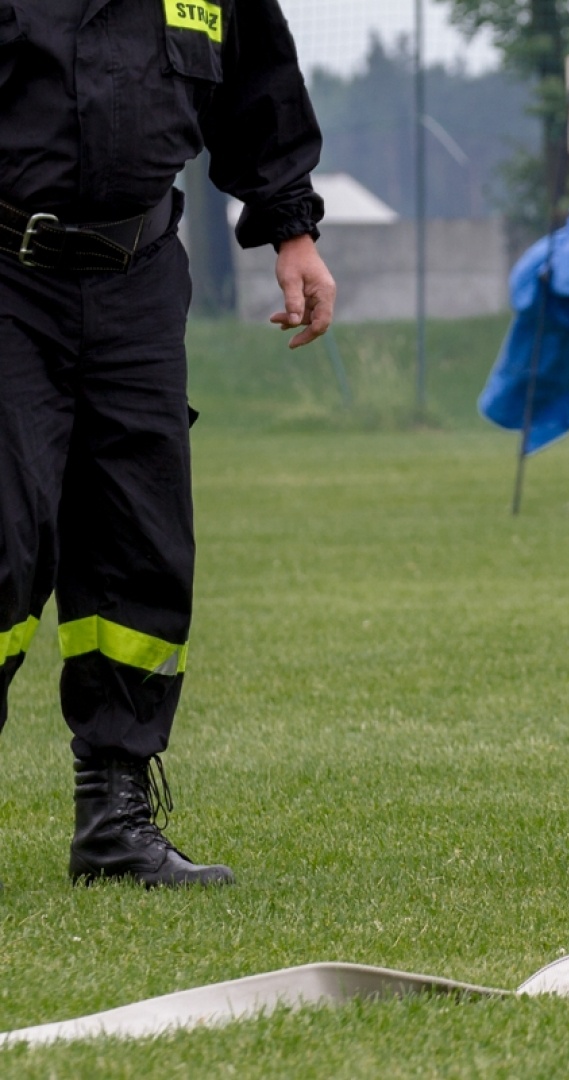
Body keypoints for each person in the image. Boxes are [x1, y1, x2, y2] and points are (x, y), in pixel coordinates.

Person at [0, 0, 335, 888]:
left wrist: (293, 229)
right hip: (8, 275)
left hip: (138, 280)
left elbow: (261, 88)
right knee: (4, 538)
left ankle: (115, 821)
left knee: (137, 547)